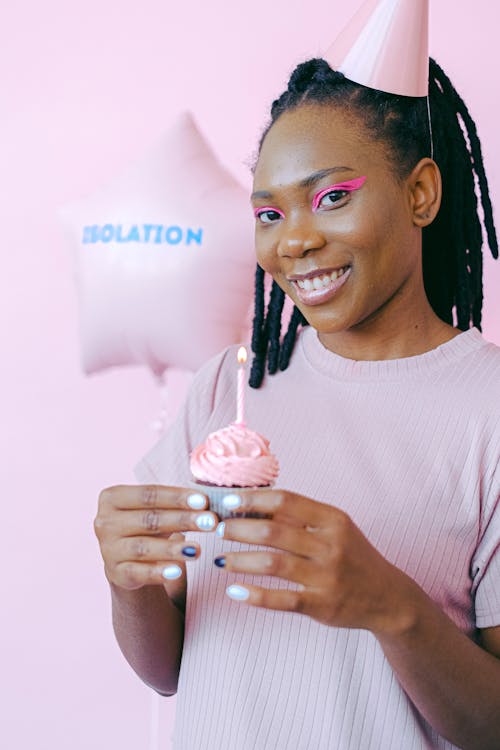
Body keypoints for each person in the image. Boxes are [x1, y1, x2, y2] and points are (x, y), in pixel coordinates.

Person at [94, 47, 500, 750]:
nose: (296, 241)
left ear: (421, 193)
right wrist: (127, 580)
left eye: (332, 197)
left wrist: (391, 606)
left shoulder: (487, 409)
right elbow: (165, 671)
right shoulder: (227, 386)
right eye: (268, 213)